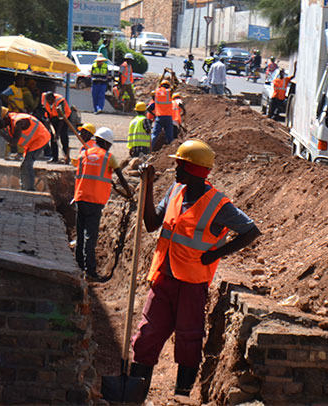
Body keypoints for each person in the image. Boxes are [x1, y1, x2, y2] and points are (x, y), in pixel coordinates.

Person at [129, 140, 260, 399]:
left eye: (181, 165)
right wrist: (148, 187)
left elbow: (250, 231)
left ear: (195, 170)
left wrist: (215, 254)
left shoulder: (218, 205)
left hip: (192, 284)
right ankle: (134, 395)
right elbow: (152, 223)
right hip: (164, 278)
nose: (176, 170)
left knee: (189, 342)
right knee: (147, 336)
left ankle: (182, 396)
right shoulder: (175, 191)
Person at [73, 126, 131, 282]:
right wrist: (130, 194)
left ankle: (77, 267)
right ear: (106, 143)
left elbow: (80, 175)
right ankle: (90, 271)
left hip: (80, 197)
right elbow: (121, 179)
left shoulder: (84, 153)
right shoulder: (108, 157)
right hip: (95, 202)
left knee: (80, 235)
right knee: (90, 238)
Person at [0, 107, 51, 191]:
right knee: (24, 165)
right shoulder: (9, 123)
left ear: (5, 118)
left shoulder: (19, 122)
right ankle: (24, 187)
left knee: (27, 164)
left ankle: (30, 189)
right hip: (32, 143)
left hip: (41, 139)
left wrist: (1, 132)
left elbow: (14, 142)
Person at [41, 90, 71, 164]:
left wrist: (58, 133)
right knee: (52, 137)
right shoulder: (45, 99)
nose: (49, 102)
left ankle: (66, 157)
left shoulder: (60, 102)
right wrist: (48, 118)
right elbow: (46, 110)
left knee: (63, 136)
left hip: (64, 118)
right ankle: (54, 158)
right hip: (53, 117)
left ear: (53, 98)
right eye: (48, 100)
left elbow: (61, 120)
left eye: (51, 100)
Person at [151, 79, 175, 151]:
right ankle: (172, 149)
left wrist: (163, 75)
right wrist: (173, 76)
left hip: (159, 117)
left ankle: (150, 149)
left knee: (154, 135)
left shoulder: (157, 92)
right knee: (169, 136)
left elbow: (158, 83)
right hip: (168, 117)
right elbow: (175, 85)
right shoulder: (169, 92)